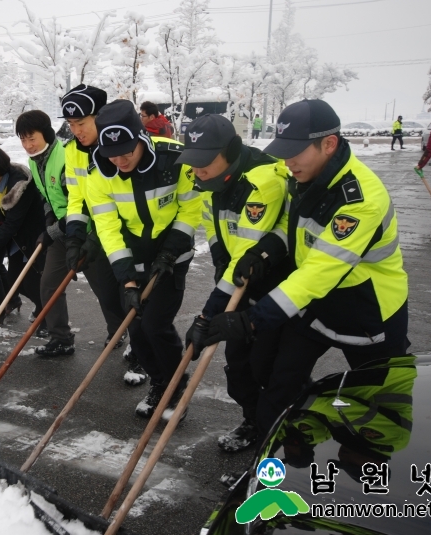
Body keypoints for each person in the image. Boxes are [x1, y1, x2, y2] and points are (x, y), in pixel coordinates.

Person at [202, 99, 409, 438]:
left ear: (329, 144)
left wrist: (253, 319)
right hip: (314, 306)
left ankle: (367, 473)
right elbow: (291, 222)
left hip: (369, 312)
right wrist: (265, 251)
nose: (287, 162)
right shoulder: (299, 173)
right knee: (276, 380)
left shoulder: (360, 200)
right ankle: (279, 462)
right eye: (284, 151)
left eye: (296, 152)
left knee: (382, 407)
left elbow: (320, 271)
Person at [178, 114, 290, 452]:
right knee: (239, 369)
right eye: (193, 162)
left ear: (231, 151)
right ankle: (253, 421)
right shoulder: (210, 178)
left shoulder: (262, 183)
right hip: (239, 279)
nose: (197, 170)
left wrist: (206, 315)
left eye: (205, 162)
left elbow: (248, 249)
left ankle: (281, 436)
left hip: (273, 288)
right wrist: (219, 258)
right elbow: (213, 224)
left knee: (269, 370)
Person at [88, 99, 203, 418]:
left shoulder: (175, 158)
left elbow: (191, 208)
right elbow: (108, 227)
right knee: (136, 326)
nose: (120, 160)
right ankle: (160, 381)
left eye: (127, 150)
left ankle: (176, 387)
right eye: (113, 153)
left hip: (172, 252)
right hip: (132, 254)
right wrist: (126, 279)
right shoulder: (98, 173)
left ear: (142, 138)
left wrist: (171, 251)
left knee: (155, 323)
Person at [60, 85, 143, 384]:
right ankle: (118, 330)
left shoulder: (119, 149)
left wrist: (95, 237)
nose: (76, 131)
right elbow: (76, 198)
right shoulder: (71, 151)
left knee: (130, 292)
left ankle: (140, 349)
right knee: (106, 293)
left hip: (123, 235)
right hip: (96, 235)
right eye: (71, 125)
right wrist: (74, 237)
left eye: (81, 123)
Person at [16, 110, 75, 356]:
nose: (28, 145)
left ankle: (123, 333)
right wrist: (50, 222)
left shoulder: (65, 158)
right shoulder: (34, 160)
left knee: (107, 288)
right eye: (23, 139)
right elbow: (48, 197)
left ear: (47, 134)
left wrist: (54, 229)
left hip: (89, 230)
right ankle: (61, 338)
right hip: (61, 229)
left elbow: (79, 202)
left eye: (32, 138)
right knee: (49, 285)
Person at [0, 145, 47, 328]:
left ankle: (47, 317)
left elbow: (12, 224)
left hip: (32, 237)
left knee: (30, 282)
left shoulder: (20, 186)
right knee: (15, 281)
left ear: (0, 167)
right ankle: (40, 310)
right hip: (17, 240)